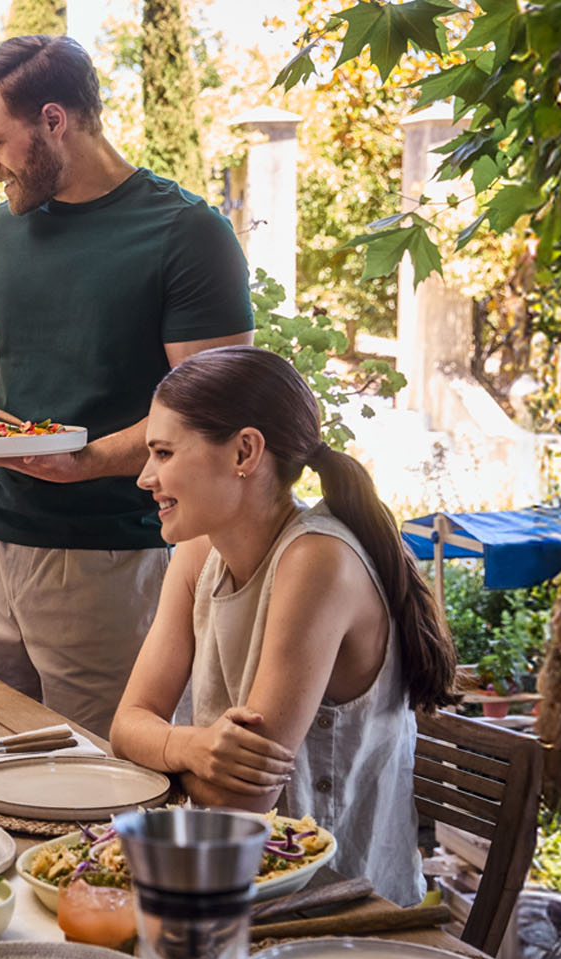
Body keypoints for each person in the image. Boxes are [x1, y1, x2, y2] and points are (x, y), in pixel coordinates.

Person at [0, 35, 255, 736]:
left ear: (53, 119)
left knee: (103, 785)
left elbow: (212, 409)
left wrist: (89, 461)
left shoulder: (187, 233)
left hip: (113, 558)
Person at [108, 347, 458, 906]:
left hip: (341, 912)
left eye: (165, 452)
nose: (146, 477)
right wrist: (195, 748)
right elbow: (125, 726)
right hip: (233, 883)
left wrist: (168, 754)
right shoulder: (199, 552)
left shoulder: (316, 560)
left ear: (245, 451)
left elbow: (236, 802)